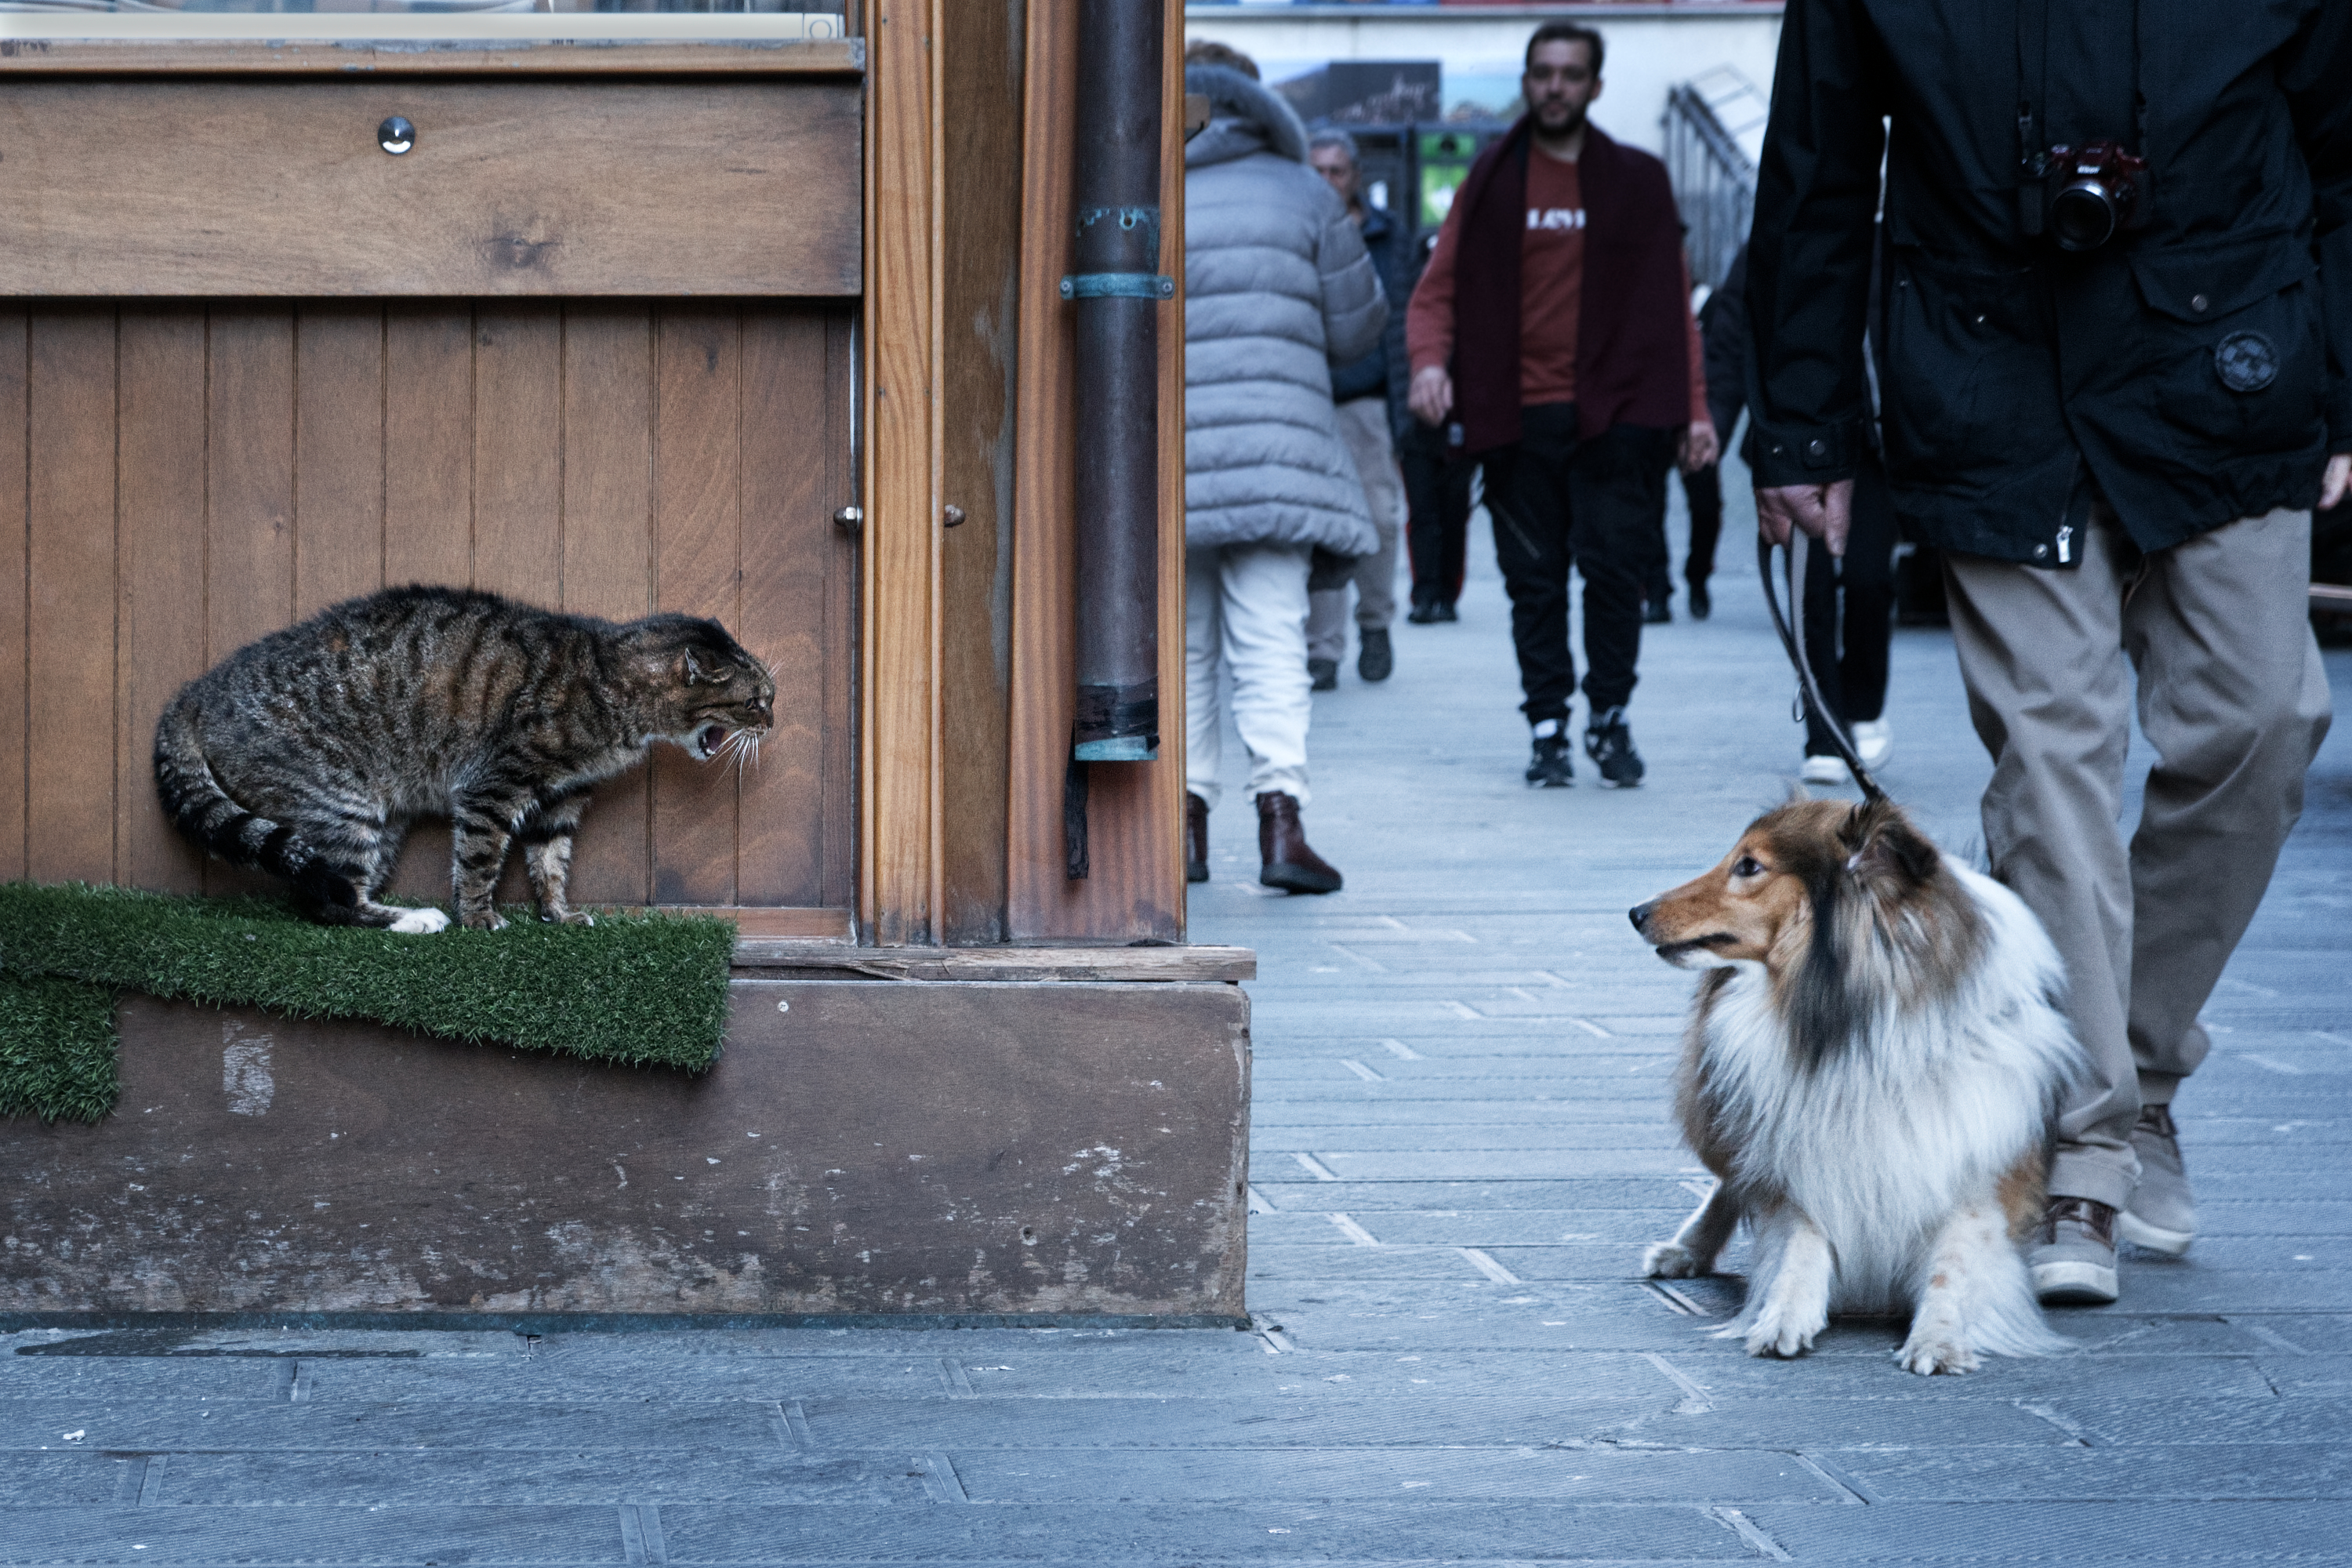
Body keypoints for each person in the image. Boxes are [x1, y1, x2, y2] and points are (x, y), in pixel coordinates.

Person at [1744, 0, 2350, 1304]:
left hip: (2230, 363)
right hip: (1988, 379)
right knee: (2053, 754)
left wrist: (2344, 385)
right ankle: (2084, 1143)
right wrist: (1800, 432)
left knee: (2265, 720)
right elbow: (1817, 173)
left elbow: (2346, 146)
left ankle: (2139, 1073)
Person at [1406, 20, 1716, 789]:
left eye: (1570, 74)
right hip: (1516, 415)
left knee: (1615, 575)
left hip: (1620, 413)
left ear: (1595, 86)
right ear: (1525, 80)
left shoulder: (1639, 180)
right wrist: (1427, 364)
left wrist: (1699, 409)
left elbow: (1672, 304)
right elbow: (1437, 287)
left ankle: (1608, 712)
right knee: (1534, 581)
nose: (1554, 87)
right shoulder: (1489, 179)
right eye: (1542, 72)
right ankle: (1548, 723)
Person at [1182, 43, 1386, 894]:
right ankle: (1281, 828)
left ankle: (1181, 832)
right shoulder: (1305, 191)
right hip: (1279, 458)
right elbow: (1358, 329)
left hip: (1178, 456)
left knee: (1185, 648)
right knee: (1272, 641)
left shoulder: (1150, 187)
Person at [1304, 129, 1411, 690]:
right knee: (1319, 525)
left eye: (1336, 171)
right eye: (1316, 170)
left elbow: (1405, 324)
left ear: (1355, 176)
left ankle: (1375, 622)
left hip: (1366, 399)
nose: (1326, 181)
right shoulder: (1293, 228)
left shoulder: (1388, 236)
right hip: (1306, 396)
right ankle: (1322, 650)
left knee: (1377, 518)